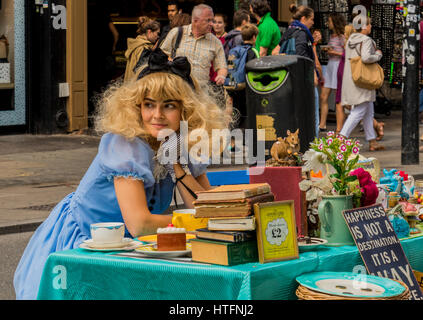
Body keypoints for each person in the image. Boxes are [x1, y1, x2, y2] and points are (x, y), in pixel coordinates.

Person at [14, 48, 231, 300]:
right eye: (148, 105)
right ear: (136, 106)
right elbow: (140, 223)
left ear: (187, 111)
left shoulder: (179, 142)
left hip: (132, 250)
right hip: (86, 244)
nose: (157, 115)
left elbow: (206, 208)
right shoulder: (124, 144)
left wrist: (178, 166)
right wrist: (196, 224)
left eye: (168, 106)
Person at [339, 16, 385, 151]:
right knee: (359, 111)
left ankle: (372, 141)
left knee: (368, 111)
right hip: (364, 80)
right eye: (370, 25)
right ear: (364, 27)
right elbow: (366, 58)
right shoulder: (366, 40)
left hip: (352, 78)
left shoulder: (350, 40)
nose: (371, 27)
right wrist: (378, 55)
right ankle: (342, 137)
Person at [160, 4, 227, 90]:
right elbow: (160, 57)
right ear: (195, 20)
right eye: (208, 20)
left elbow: (222, 66)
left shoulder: (215, 42)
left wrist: (221, 76)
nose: (212, 24)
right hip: (177, 92)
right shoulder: (177, 33)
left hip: (201, 94)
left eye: (212, 20)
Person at [280, 4, 319, 137]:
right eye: (311, 19)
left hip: (290, 77)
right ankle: (314, 142)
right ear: (304, 19)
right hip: (304, 78)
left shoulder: (289, 30)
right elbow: (303, 56)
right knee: (312, 113)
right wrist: (313, 74)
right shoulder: (302, 34)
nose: (313, 22)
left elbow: (277, 50)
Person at [319, 13, 346, 132]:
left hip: (337, 66)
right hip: (330, 66)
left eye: (329, 21)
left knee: (337, 97)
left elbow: (346, 53)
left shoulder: (342, 36)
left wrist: (334, 53)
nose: (328, 24)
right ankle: (322, 124)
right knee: (323, 96)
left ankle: (339, 127)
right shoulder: (332, 35)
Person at [124, 16, 160, 82]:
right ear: (149, 32)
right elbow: (144, 74)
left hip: (130, 86)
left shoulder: (136, 44)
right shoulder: (144, 48)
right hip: (137, 87)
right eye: (157, 33)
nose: (158, 36)